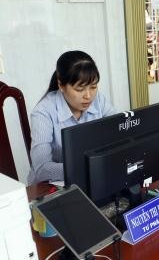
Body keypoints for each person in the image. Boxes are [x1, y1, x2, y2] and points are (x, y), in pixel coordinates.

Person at [28, 51, 115, 185]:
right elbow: (42, 169)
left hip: (91, 180)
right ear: (61, 85)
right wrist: (87, 168)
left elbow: (120, 135)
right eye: (80, 89)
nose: (88, 96)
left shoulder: (99, 100)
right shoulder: (43, 112)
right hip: (51, 188)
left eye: (93, 87)